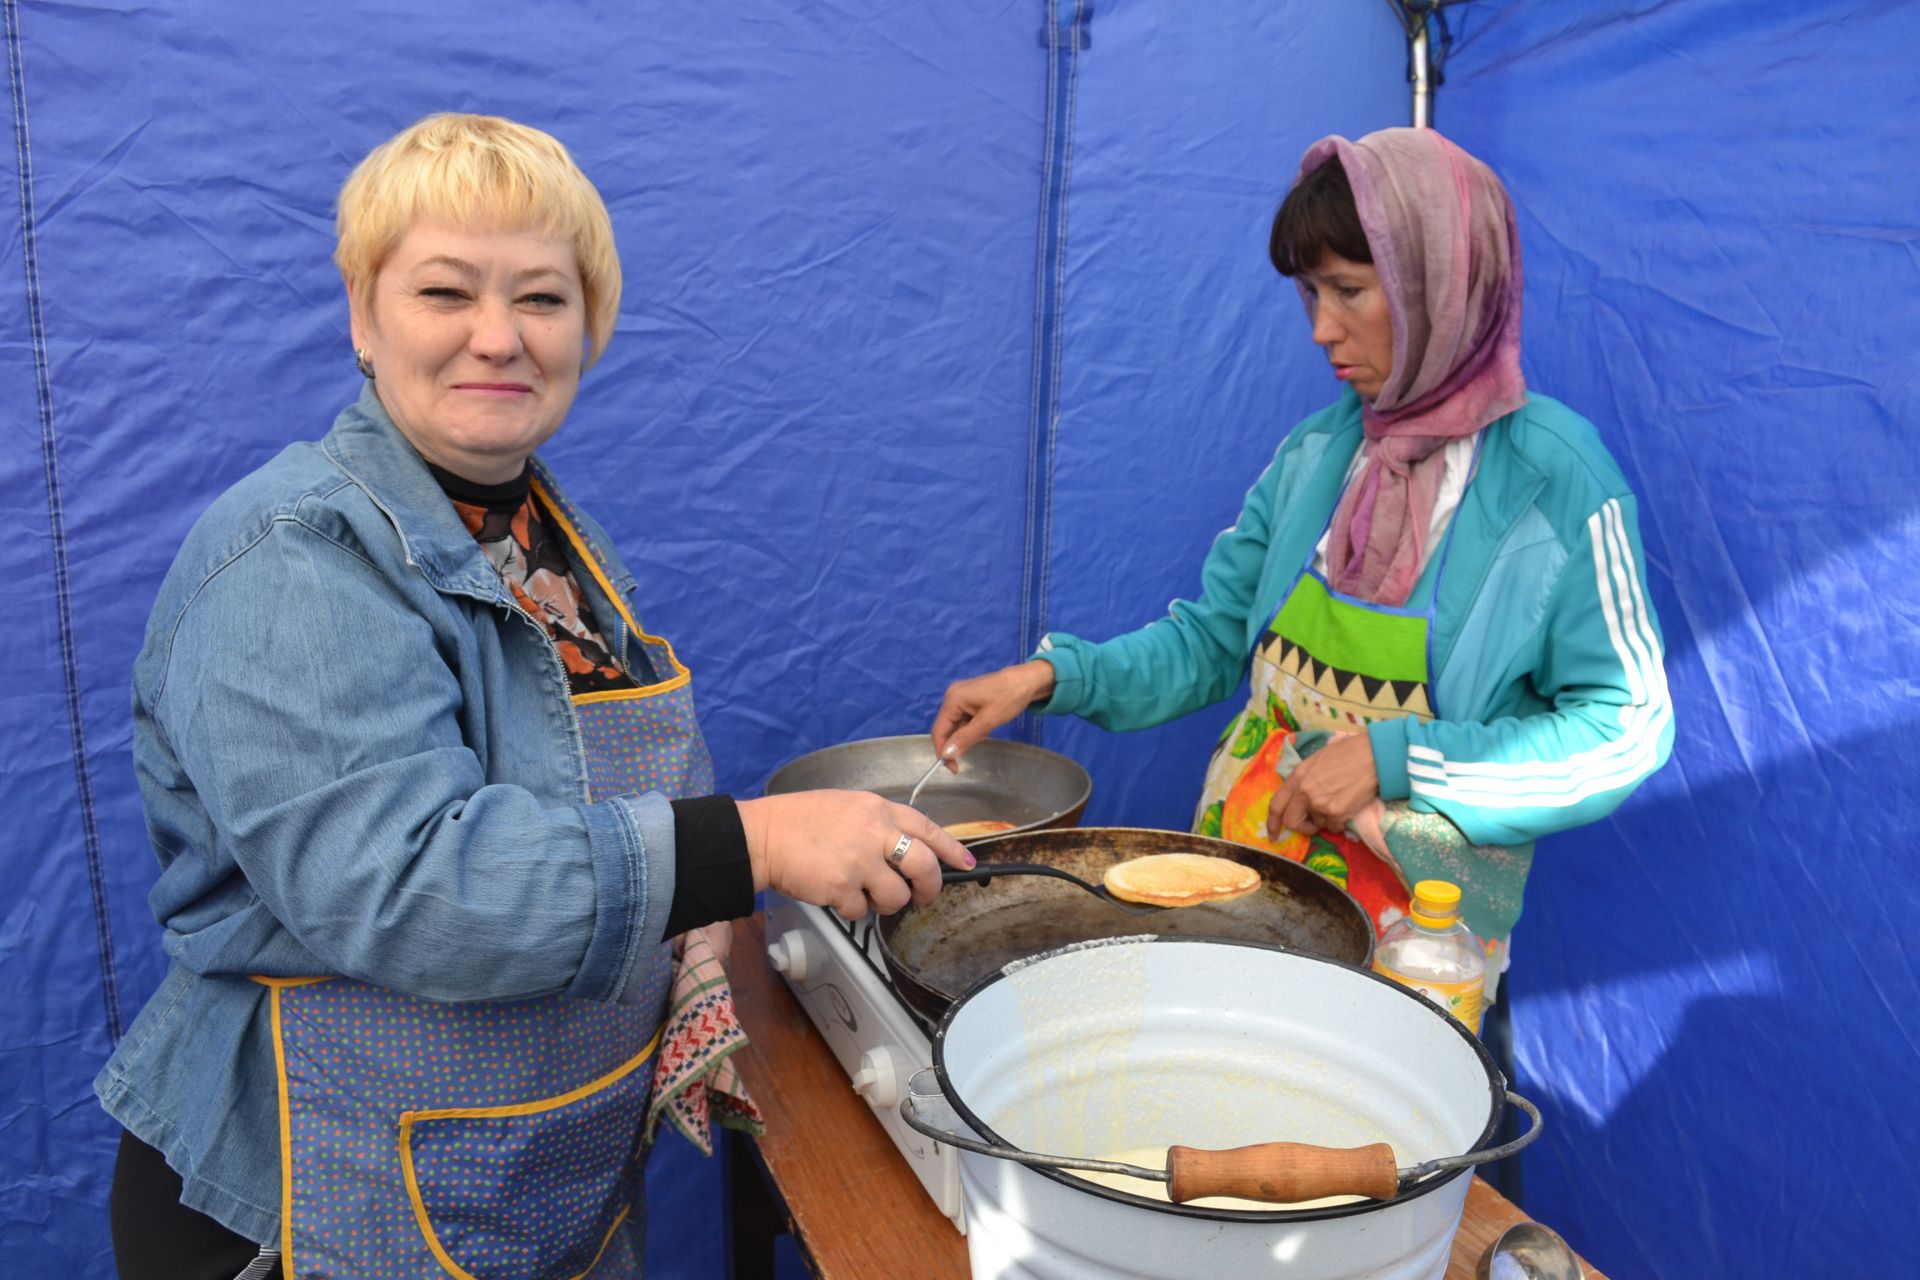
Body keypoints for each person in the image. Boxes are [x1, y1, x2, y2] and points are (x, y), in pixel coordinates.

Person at [94, 113, 973, 1280]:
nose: (498, 337)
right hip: (318, 1200)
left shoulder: (547, 536)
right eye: (446, 292)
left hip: (534, 1187)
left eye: (544, 299)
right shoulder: (290, 556)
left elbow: (625, 787)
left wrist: (711, 924)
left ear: (591, 327)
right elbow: (408, 883)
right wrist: (750, 841)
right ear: (365, 315)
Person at [934, 127, 1673, 1010]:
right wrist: (1053, 674)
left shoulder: (1556, 481)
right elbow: (1211, 641)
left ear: (1439, 282)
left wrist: (1396, 758)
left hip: (1417, 948)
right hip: (1244, 892)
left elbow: (1625, 729)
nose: (1323, 330)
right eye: (1310, 293)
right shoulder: (1320, 453)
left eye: (1351, 291)